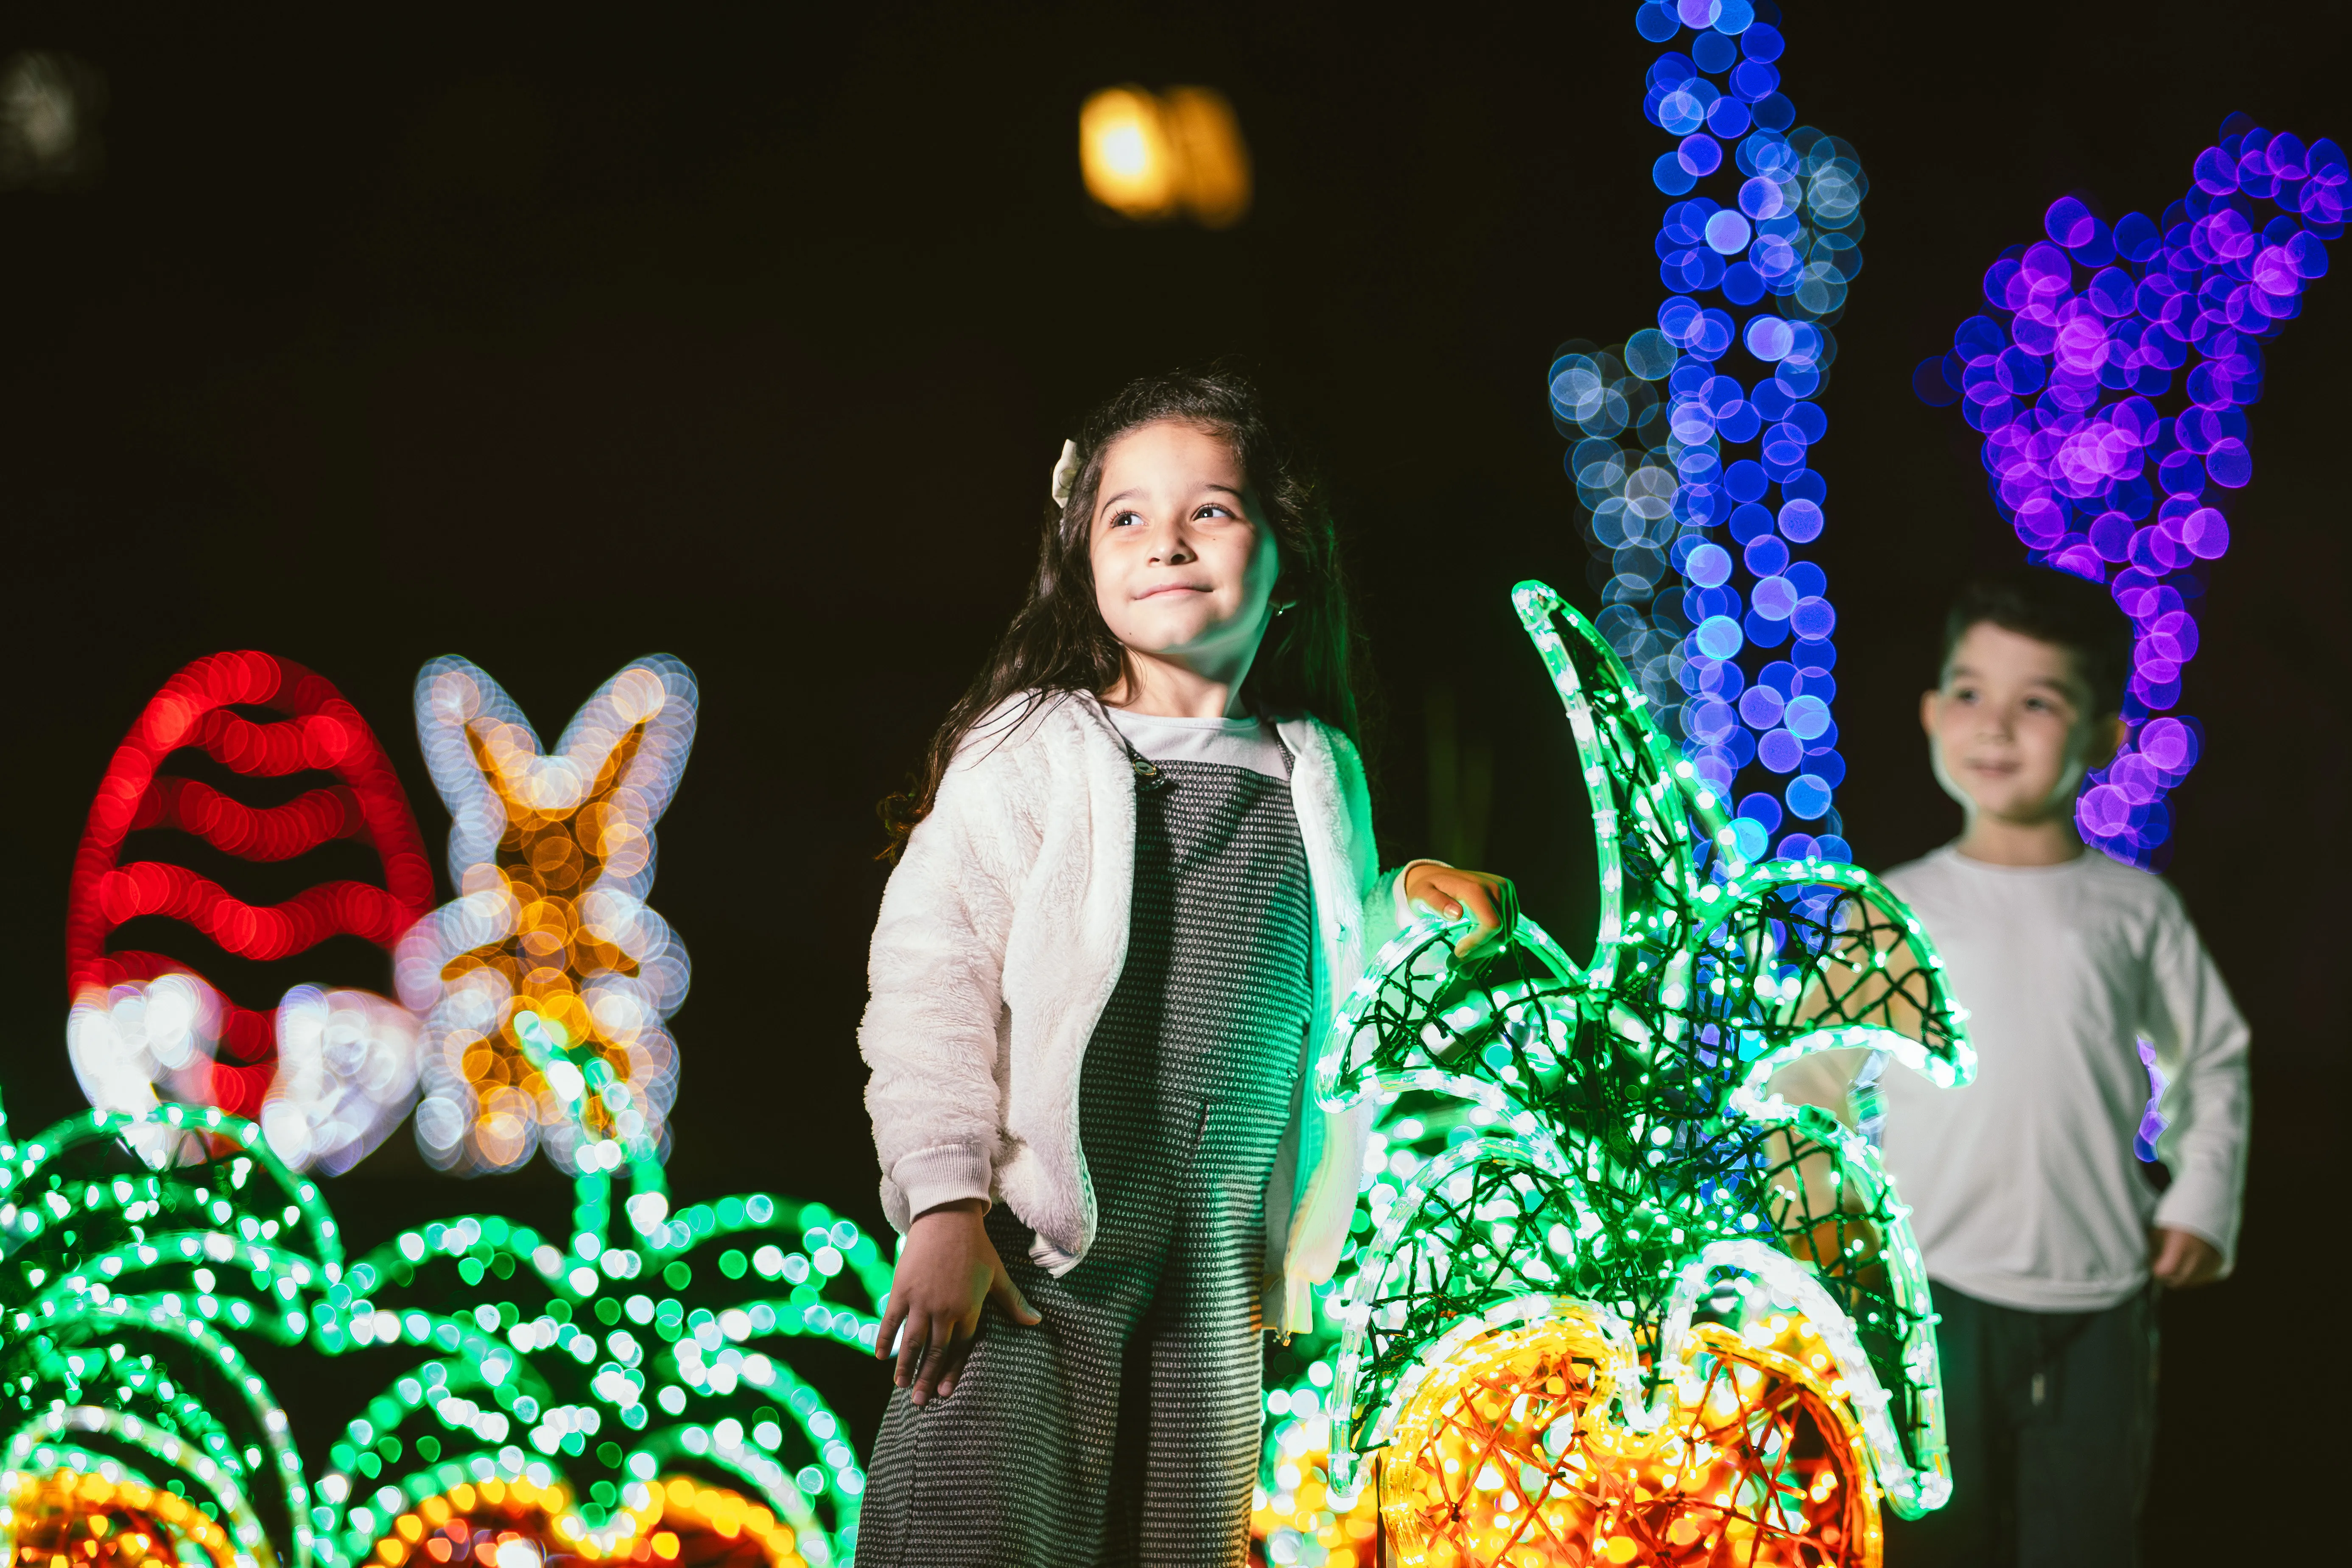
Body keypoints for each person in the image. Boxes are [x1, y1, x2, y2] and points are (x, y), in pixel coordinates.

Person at [853, 367, 1515, 1566]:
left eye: (1210, 509)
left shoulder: (1317, 767)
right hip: (1038, 1249)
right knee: (975, 1528)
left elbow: (1339, 972)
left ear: (1289, 554)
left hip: (1212, 1274)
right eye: (1127, 516)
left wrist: (1410, 902)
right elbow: (929, 972)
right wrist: (944, 1205)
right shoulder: (1035, 746)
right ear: (1084, 558)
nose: (1166, 540)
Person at [1775, 568, 2250, 1568]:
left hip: (2101, 1292)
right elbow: (1808, 1082)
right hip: (1934, 1291)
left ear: (2102, 737)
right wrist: (1820, 1235)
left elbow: (2213, 1058)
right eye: (1971, 693)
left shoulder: (2133, 913)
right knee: (1941, 1538)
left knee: (2086, 1532)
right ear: (1930, 712)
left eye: (2038, 702)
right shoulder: (1893, 912)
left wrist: (2202, 1198)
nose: (1996, 726)